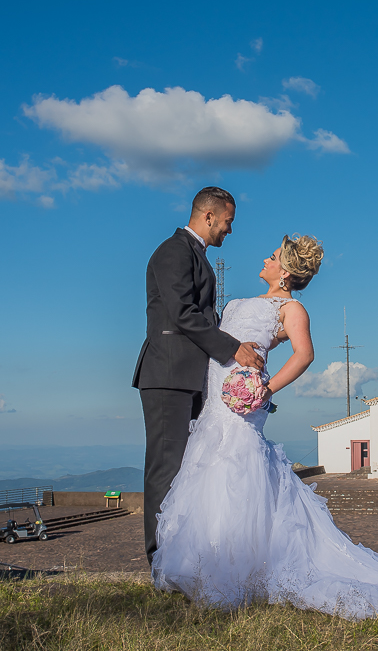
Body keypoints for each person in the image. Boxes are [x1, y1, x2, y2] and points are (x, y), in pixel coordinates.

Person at [152, 234, 378, 619]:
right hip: (217, 397)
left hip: (245, 399)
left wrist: (265, 389)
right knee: (210, 465)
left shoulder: (291, 309)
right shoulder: (239, 302)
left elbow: (304, 354)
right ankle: (206, 561)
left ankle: (235, 569)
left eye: (272, 256)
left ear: (285, 272)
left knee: (235, 466)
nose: (265, 258)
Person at [132, 186, 265, 565]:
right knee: (166, 468)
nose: (230, 230)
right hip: (167, 376)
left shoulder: (196, 255)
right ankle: (160, 560)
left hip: (190, 377)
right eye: (227, 222)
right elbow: (181, 314)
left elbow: (203, 317)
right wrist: (230, 348)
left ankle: (183, 556)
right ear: (208, 216)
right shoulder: (173, 251)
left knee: (187, 468)